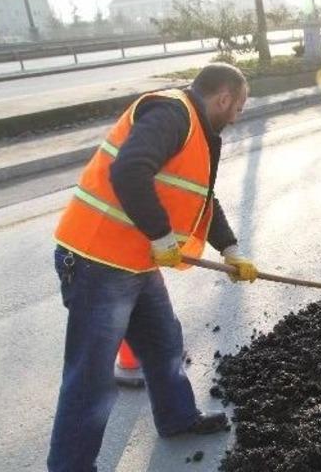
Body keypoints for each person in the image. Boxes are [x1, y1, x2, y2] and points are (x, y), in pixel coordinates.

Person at [47, 63, 258, 472]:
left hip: (136, 260)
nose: (238, 116)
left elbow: (201, 199)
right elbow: (127, 171)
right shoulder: (171, 114)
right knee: (90, 378)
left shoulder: (197, 130)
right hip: (97, 260)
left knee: (164, 343)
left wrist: (230, 250)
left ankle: (177, 418)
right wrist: (162, 237)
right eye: (239, 107)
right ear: (224, 98)